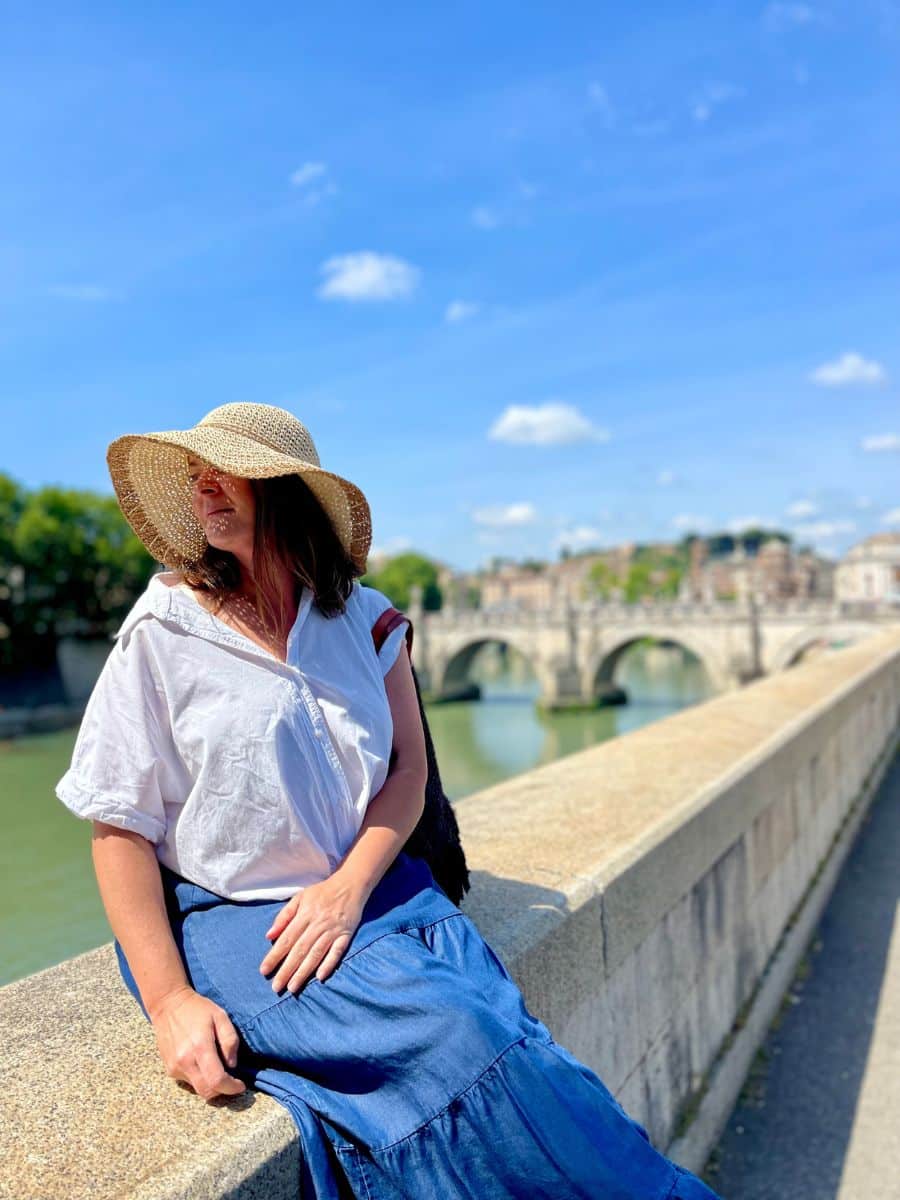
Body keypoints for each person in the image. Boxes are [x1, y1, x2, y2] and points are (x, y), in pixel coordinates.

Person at [55, 402, 722, 1199]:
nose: (204, 495)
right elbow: (116, 822)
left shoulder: (366, 620)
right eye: (196, 482)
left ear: (283, 492)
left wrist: (346, 890)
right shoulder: (162, 630)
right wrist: (168, 1001)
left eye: (221, 476)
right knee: (459, 1035)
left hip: (371, 892)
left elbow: (406, 772)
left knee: (504, 1030)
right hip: (239, 918)